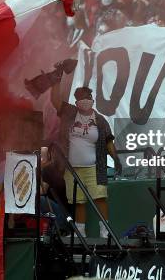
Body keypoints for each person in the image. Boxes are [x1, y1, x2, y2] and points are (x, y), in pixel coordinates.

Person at [51, 79, 122, 238]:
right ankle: (80, 232)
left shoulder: (100, 120)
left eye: (87, 97)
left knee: (100, 197)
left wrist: (115, 158)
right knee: (78, 201)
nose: (85, 100)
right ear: (76, 102)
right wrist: (56, 79)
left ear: (92, 99)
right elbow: (54, 100)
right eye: (81, 98)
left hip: (95, 166)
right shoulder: (69, 113)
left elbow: (108, 141)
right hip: (72, 168)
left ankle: (105, 231)